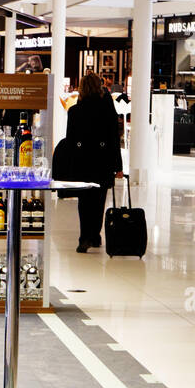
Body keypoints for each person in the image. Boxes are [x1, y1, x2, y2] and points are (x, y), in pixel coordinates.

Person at [64, 72, 124, 253]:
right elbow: (114, 139)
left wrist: (69, 164)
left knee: (84, 201)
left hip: (82, 160)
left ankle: (85, 237)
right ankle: (95, 235)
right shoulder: (107, 110)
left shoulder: (75, 111)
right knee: (99, 200)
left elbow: (71, 140)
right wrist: (118, 166)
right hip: (102, 159)